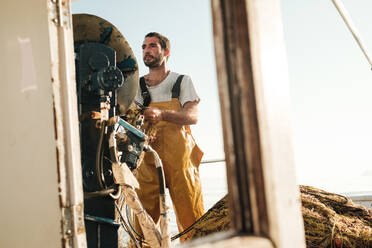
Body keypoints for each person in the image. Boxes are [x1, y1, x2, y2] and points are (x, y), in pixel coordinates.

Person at [134, 32, 205, 242]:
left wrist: (162, 114)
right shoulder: (136, 86)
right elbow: (129, 120)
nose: (147, 50)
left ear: (166, 52)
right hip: (147, 160)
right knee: (143, 228)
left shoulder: (182, 81)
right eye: (144, 46)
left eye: (153, 46)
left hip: (181, 162)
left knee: (192, 220)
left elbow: (192, 116)